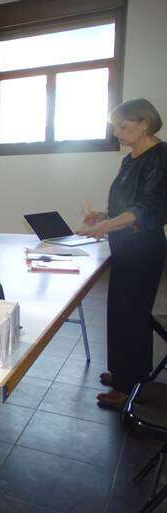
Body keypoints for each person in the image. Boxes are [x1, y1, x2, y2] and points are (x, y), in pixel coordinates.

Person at [77, 99, 167, 409]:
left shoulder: (161, 157)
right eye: (114, 126)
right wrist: (103, 216)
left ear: (145, 124)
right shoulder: (131, 159)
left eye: (122, 126)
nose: (116, 132)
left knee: (132, 314)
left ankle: (127, 385)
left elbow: (146, 209)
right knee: (120, 311)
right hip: (125, 245)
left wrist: (106, 227)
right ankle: (124, 374)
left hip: (143, 248)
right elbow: (125, 206)